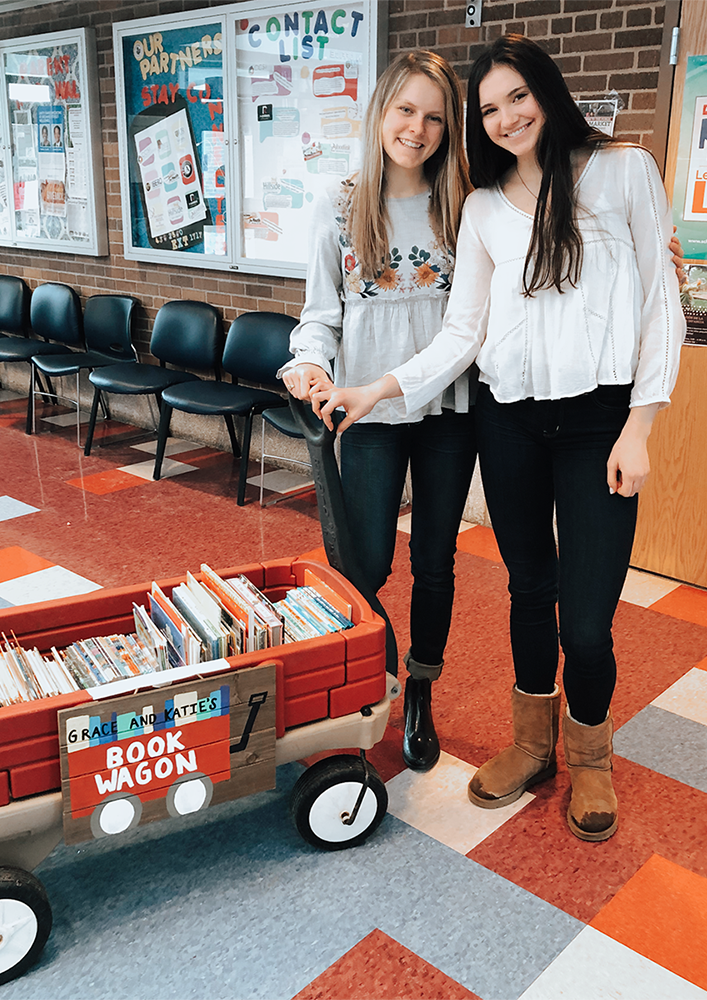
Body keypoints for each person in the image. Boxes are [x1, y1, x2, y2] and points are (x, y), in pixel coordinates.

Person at [310, 34, 684, 842]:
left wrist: (640, 426)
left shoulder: (623, 172)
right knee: (528, 590)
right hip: (509, 422)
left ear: (547, 93)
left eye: (519, 96)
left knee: (586, 621)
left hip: (598, 427)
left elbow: (661, 305)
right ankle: (531, 743)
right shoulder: (482, 206)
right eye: (489, 108)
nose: (507, 116)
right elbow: (462, 333)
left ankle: (590, 753)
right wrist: (377, 386)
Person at [280, 50, 475, 773]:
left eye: (433, 116)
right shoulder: (336, 204)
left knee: (436, 562)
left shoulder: (465, 202)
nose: (417, 129)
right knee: (362, 564)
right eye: (405, 110)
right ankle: (379, 665)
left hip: (451, 409)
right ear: (379, 111)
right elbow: (318, 316)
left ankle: (420, 690)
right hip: (367, 411)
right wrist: (309, 365)